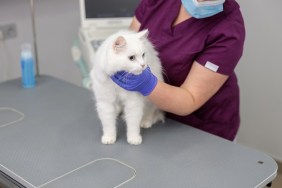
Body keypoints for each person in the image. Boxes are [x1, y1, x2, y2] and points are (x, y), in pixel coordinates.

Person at [111, 0, 245, 141]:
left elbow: (190, 98)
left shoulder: (228, 30)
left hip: (200, 128)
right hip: (151, 113)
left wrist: (146, 84)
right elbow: (129, 41)